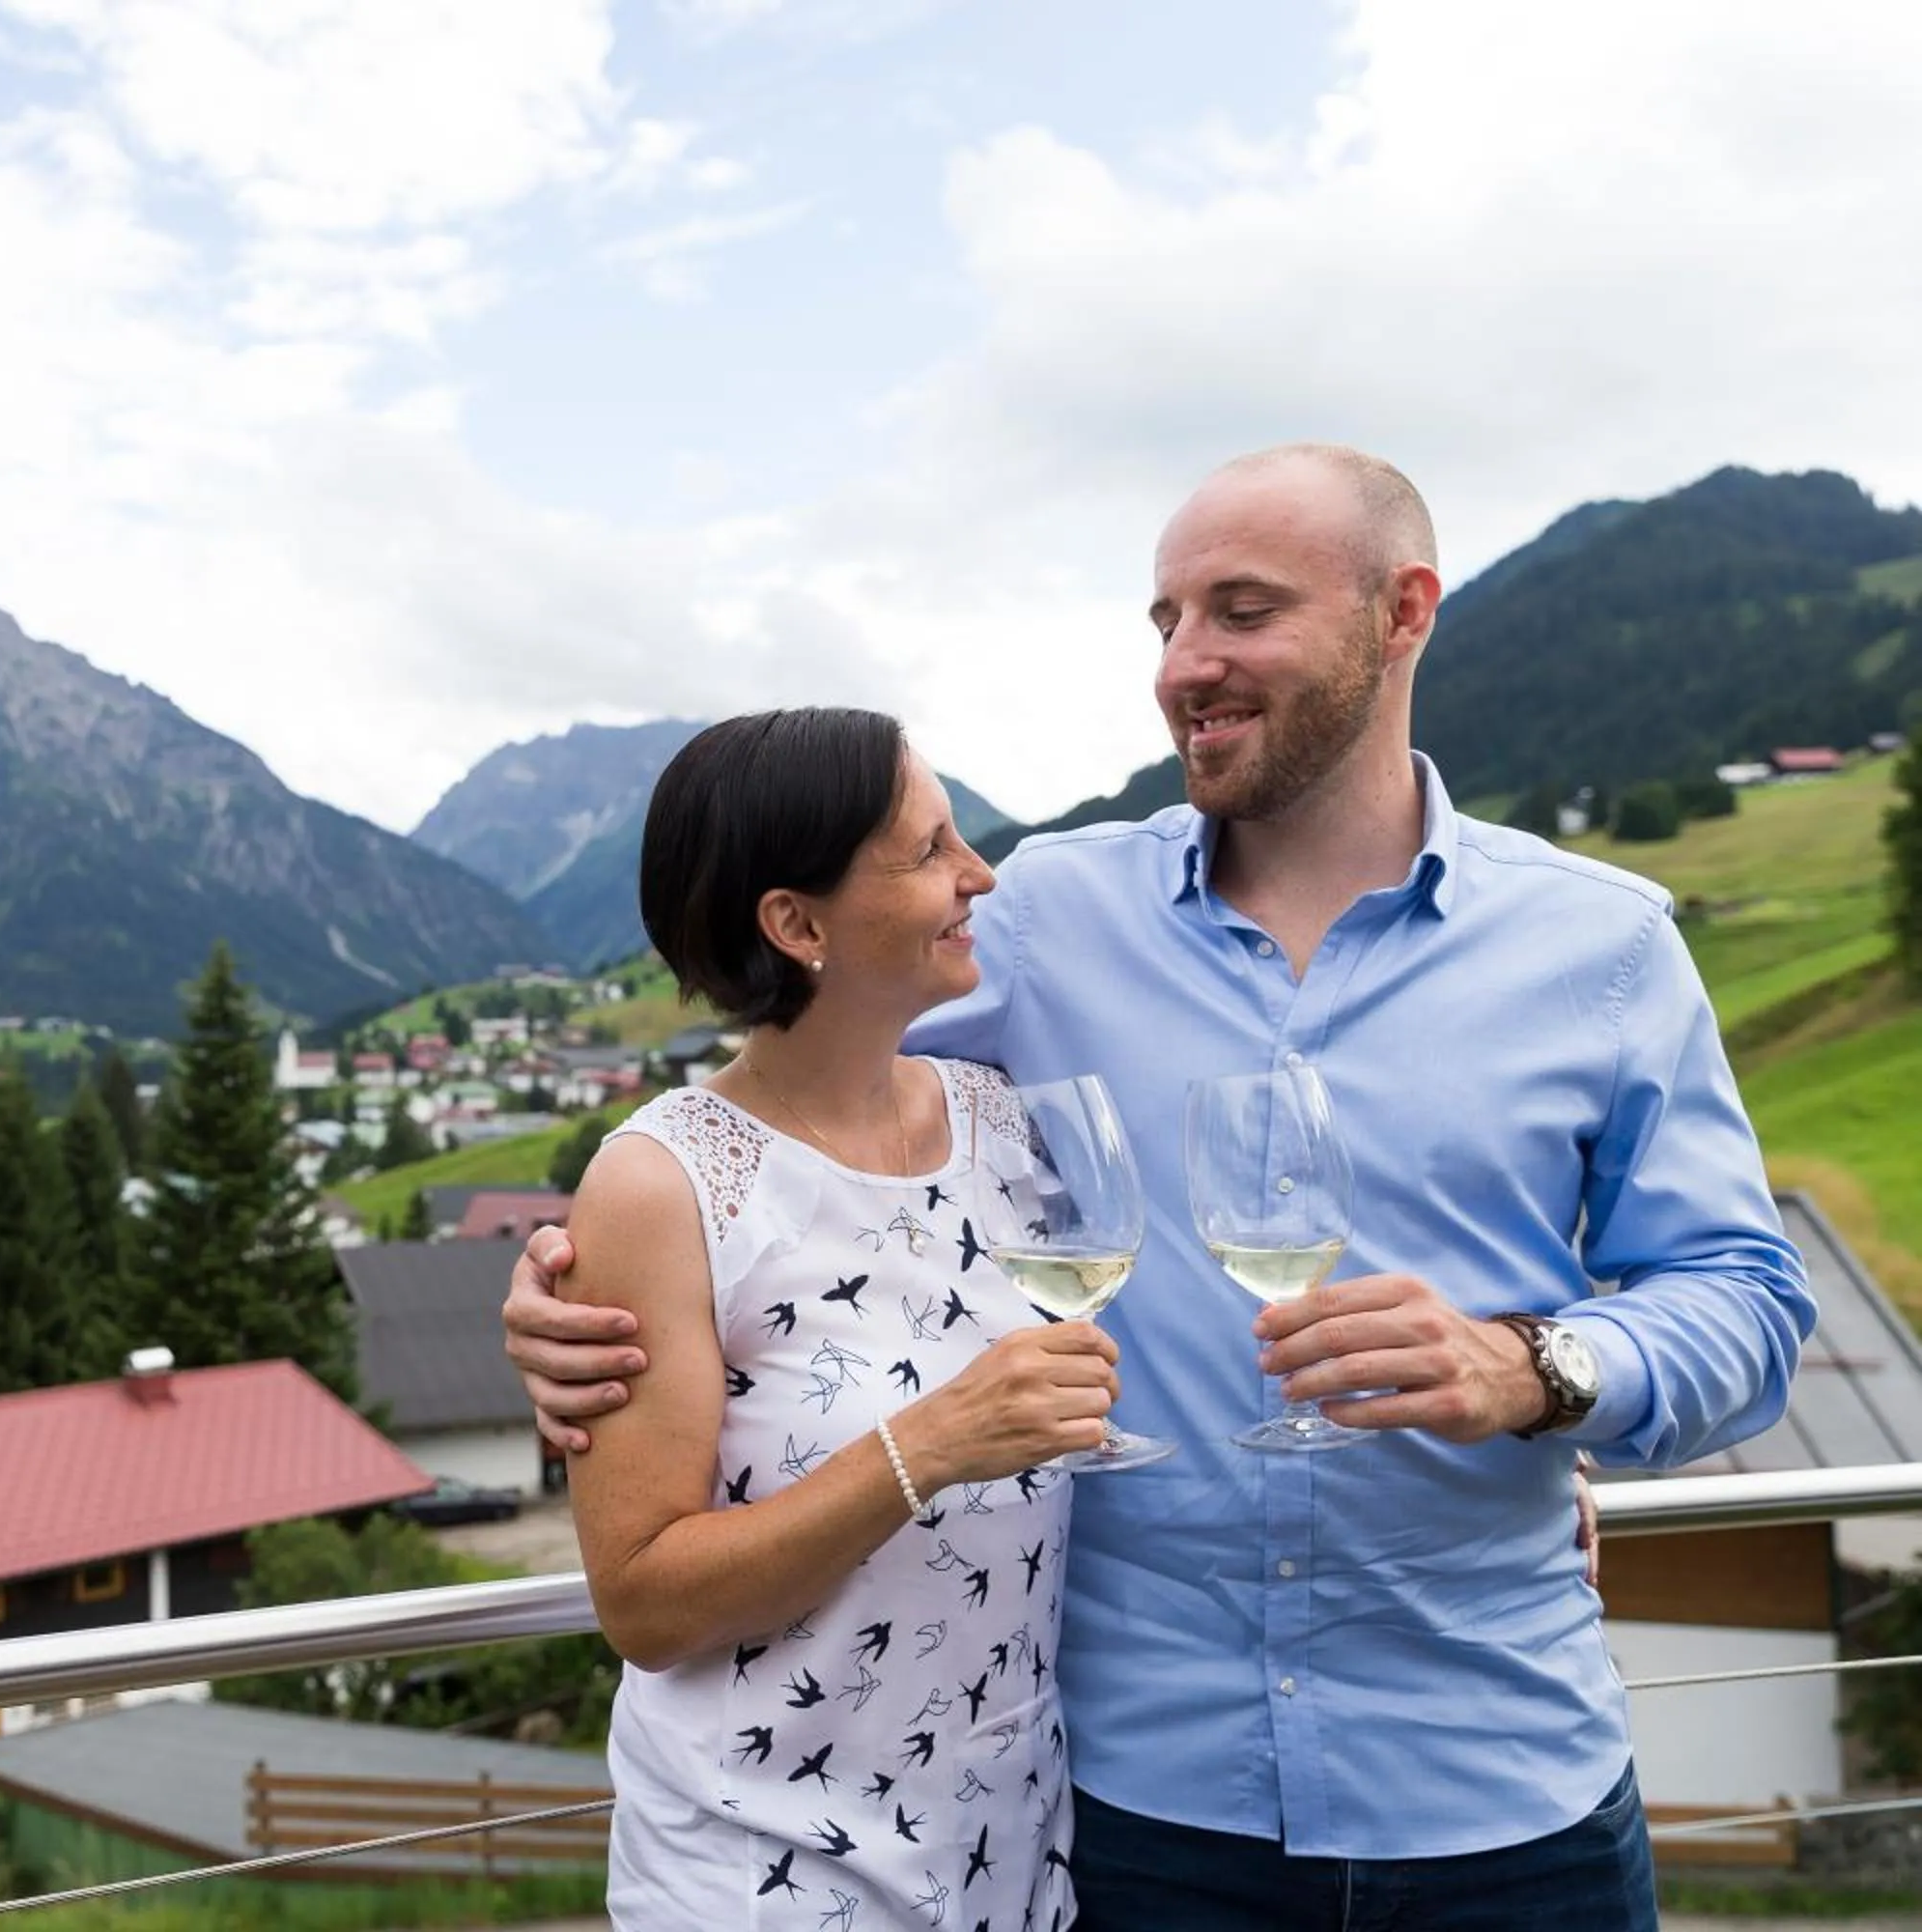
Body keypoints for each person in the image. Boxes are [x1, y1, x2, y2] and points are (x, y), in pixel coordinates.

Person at [507, 444, 1815, 1929]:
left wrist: (1537, 1368)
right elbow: (780, 1106)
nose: (1186, 664)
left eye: (1241, 611)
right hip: (1139, 1824)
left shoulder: (1606, 946)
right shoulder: (1043, 916)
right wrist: (570, 1265)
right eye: (1166, 621)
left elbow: (1747, 1305)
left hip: (1507, 1800)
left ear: (1405, 613)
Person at [565, 706, 1117, 1931]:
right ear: (797, 923)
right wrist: (928, 1445)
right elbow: (645, 1601)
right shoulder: (664, 1182)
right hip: (768, 1882)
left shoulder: (1000, 1123)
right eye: (929, 852)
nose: (979, 875)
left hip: (1011, 1869)